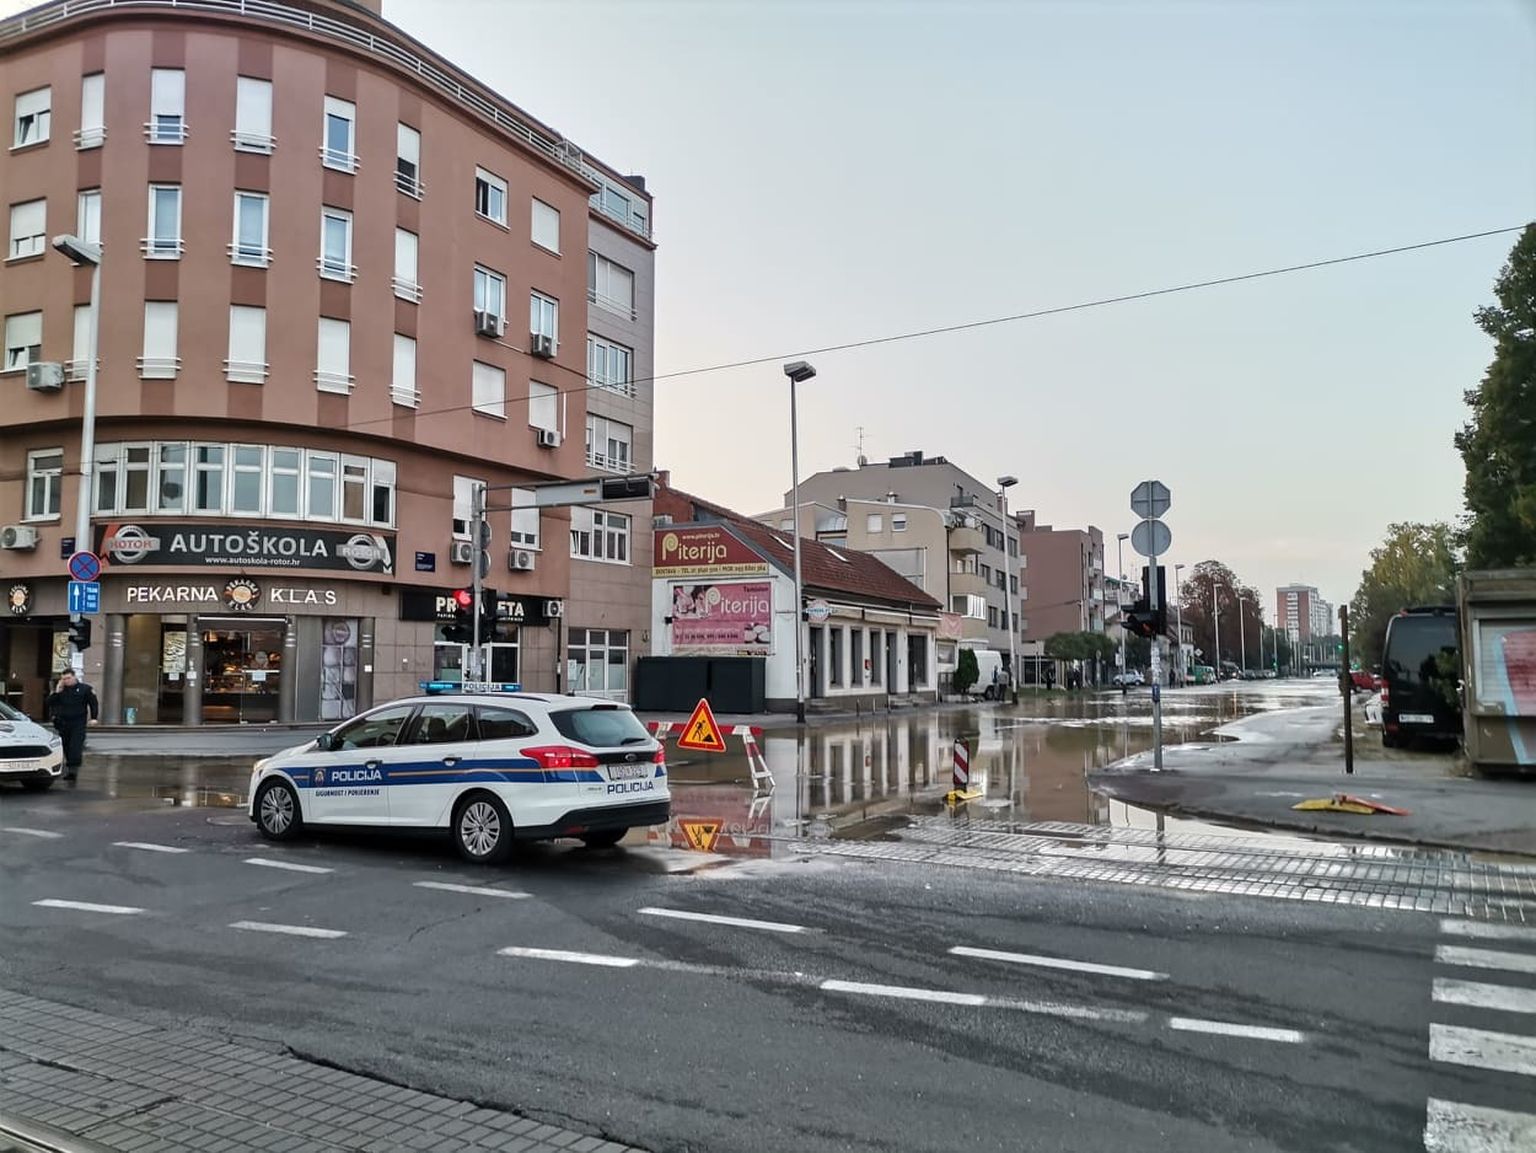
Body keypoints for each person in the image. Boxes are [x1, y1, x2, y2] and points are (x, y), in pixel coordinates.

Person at [44, 669, 99, 783]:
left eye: (68, 678)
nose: (66, 681)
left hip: (78, 723)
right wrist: (56, 692)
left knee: (75, 747)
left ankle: (73, 771)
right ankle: (69, 767)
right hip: (63, 723)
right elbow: (49, 702)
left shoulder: (85, 689)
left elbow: (93, 703)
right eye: (64, 679)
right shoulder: (61, 690)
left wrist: (94, 717)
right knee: (66, 746)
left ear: (74, 677)